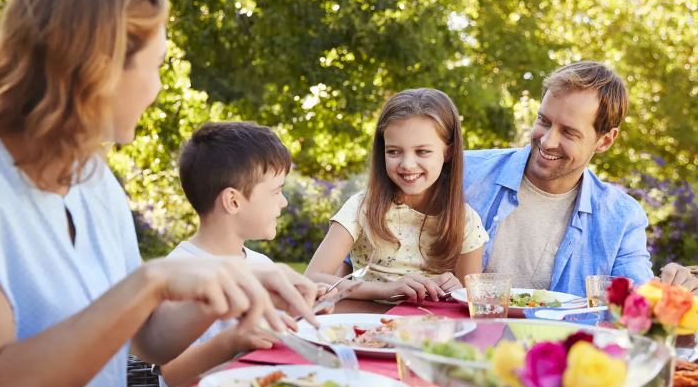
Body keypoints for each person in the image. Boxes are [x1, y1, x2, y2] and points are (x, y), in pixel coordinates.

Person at [0, 0, 319, 387]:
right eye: (156, 65)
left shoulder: (93, 180)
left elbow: (149, 338)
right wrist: (152, 281)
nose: (158, 87)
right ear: (98, 68)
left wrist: (234, 284)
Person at [463, 60, 698, 296]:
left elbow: (637, 298)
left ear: (605, 140)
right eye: (544, 121)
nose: (547, 141)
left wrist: (673, 287)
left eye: (569, 132)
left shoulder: (621, 218)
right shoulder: (464, 173)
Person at [158, 121, 323, 386]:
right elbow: (173, 375)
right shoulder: (179, 273)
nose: (284, 202)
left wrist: (303, 312)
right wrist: (232, 340)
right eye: (277, 191)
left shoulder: (262, 264)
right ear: (233, 201)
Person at [305, 88, 488, 303]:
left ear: (448, 152)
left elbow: (472, 301)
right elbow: (313, 278)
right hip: (365, 321)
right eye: (393, 151)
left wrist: (458, 290)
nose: (407, 164)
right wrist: (386, 290)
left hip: (429, 324)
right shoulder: (361, 207)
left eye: (422, 151)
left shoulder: (465, 220)